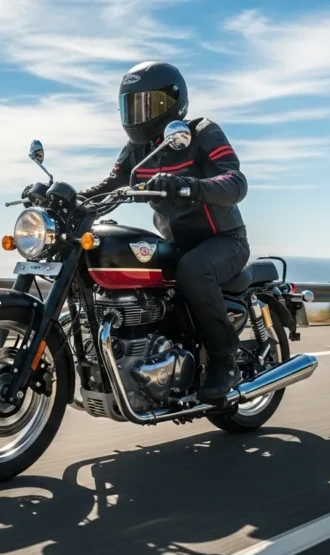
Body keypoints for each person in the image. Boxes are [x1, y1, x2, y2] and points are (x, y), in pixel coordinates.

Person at [79, 60, 250, 406]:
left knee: (194, 270)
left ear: (173, 102)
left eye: (149, 104)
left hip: (222, 241)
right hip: (176, 244)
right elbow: (112, 184)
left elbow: (235, 181)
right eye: (132, 105)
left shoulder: (200, 132)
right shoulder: (138, 150)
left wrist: (189, 186)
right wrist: (74, 200)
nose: (140, 114)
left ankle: (225, 360)